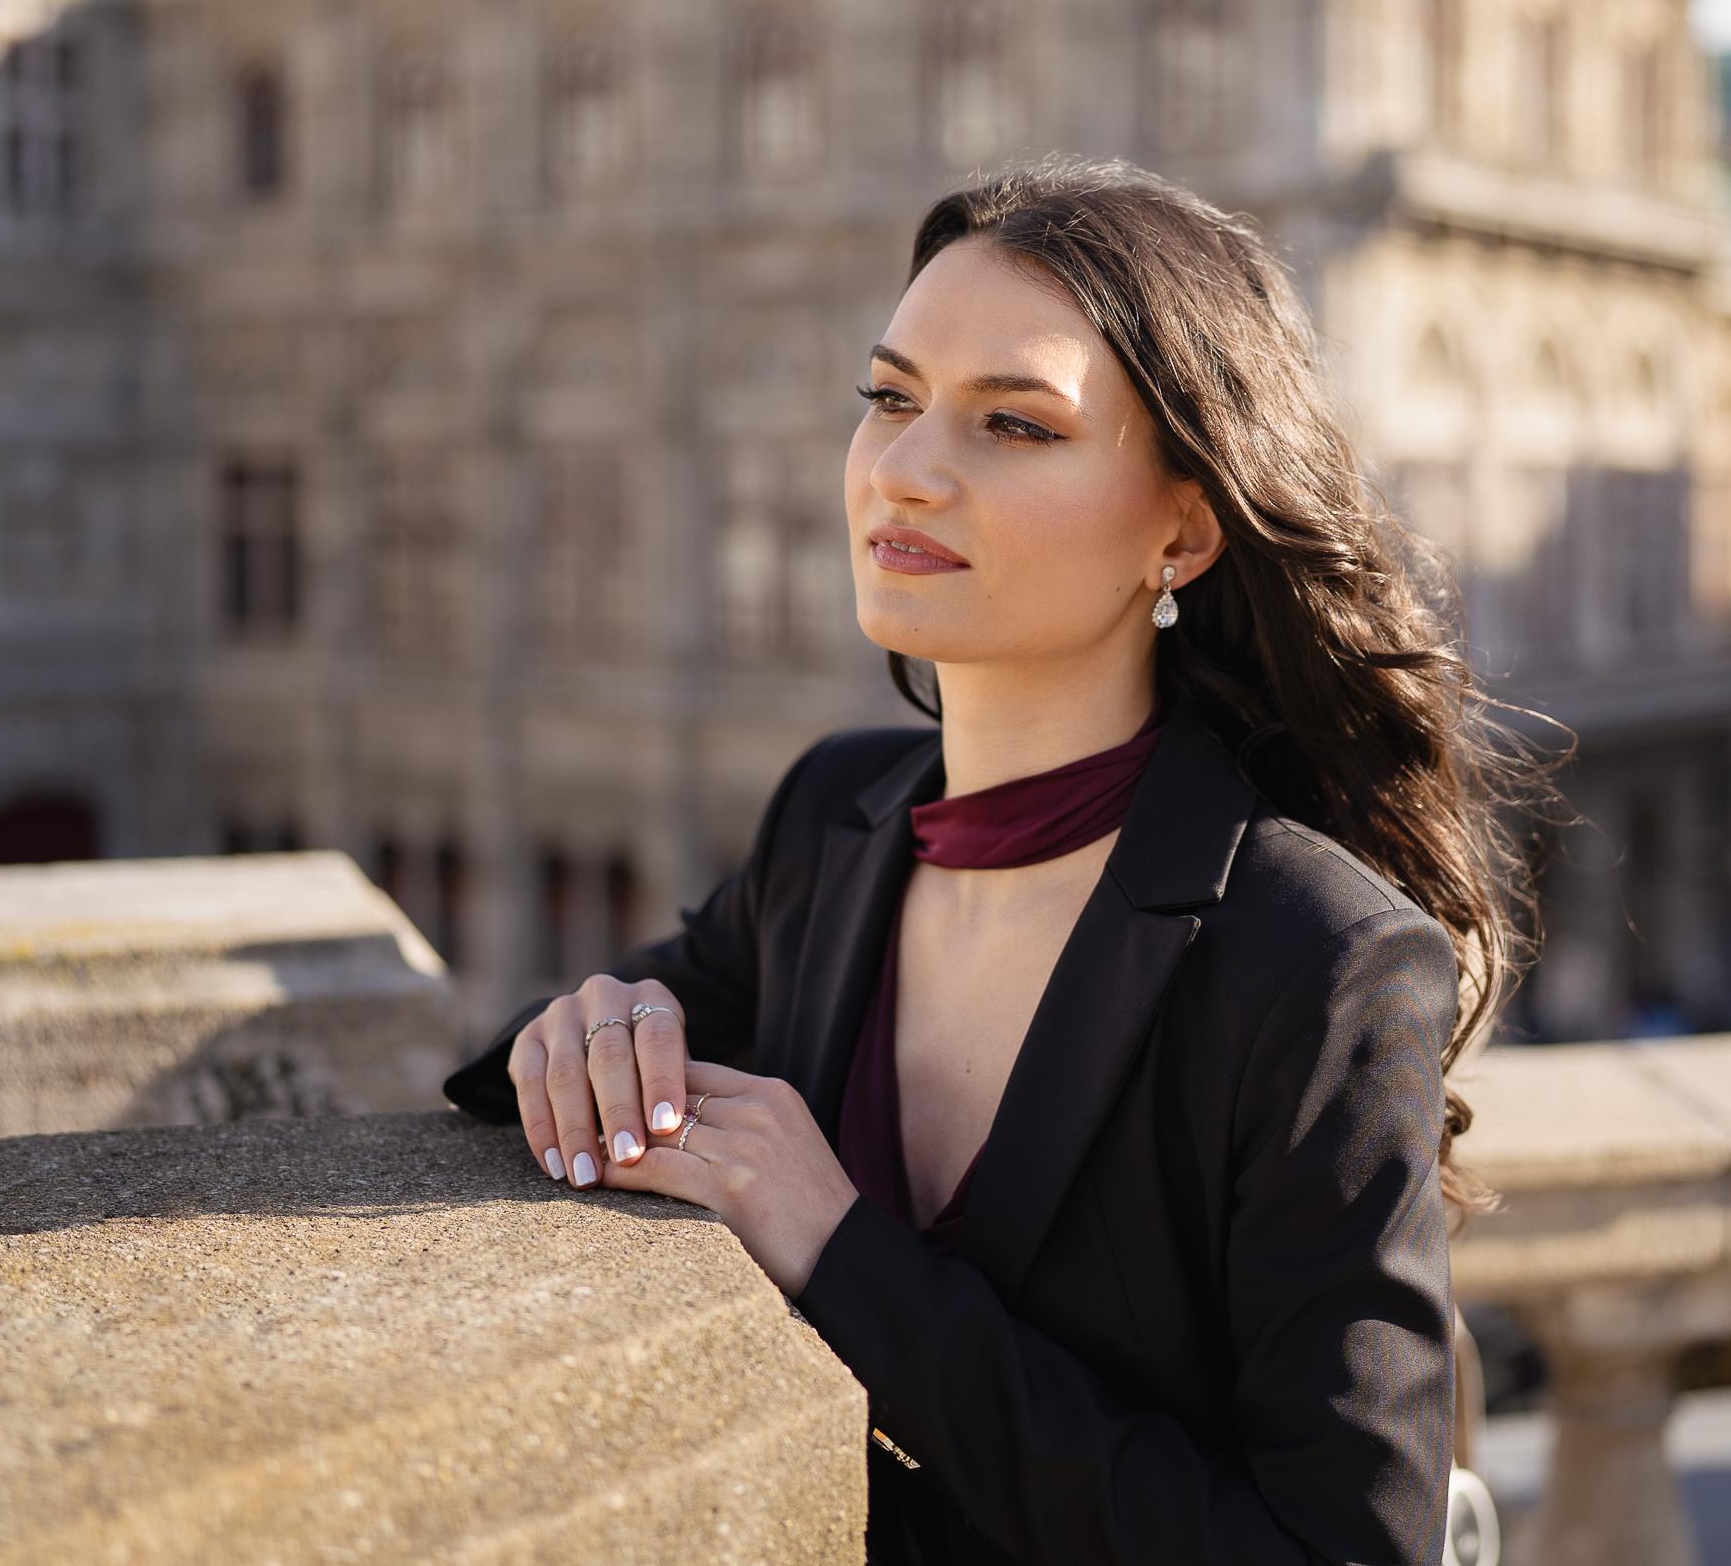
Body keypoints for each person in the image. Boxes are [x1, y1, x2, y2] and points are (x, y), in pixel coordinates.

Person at [442, 156, 1562, 1564]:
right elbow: (548, 1069)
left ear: (1183, 528)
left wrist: (845, 1253)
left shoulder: (1317, 960)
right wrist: (600, 1025)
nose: (906, 470)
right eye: (892, 398)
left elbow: (1345, 1549)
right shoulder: (833, 823)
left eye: (1015, 427)